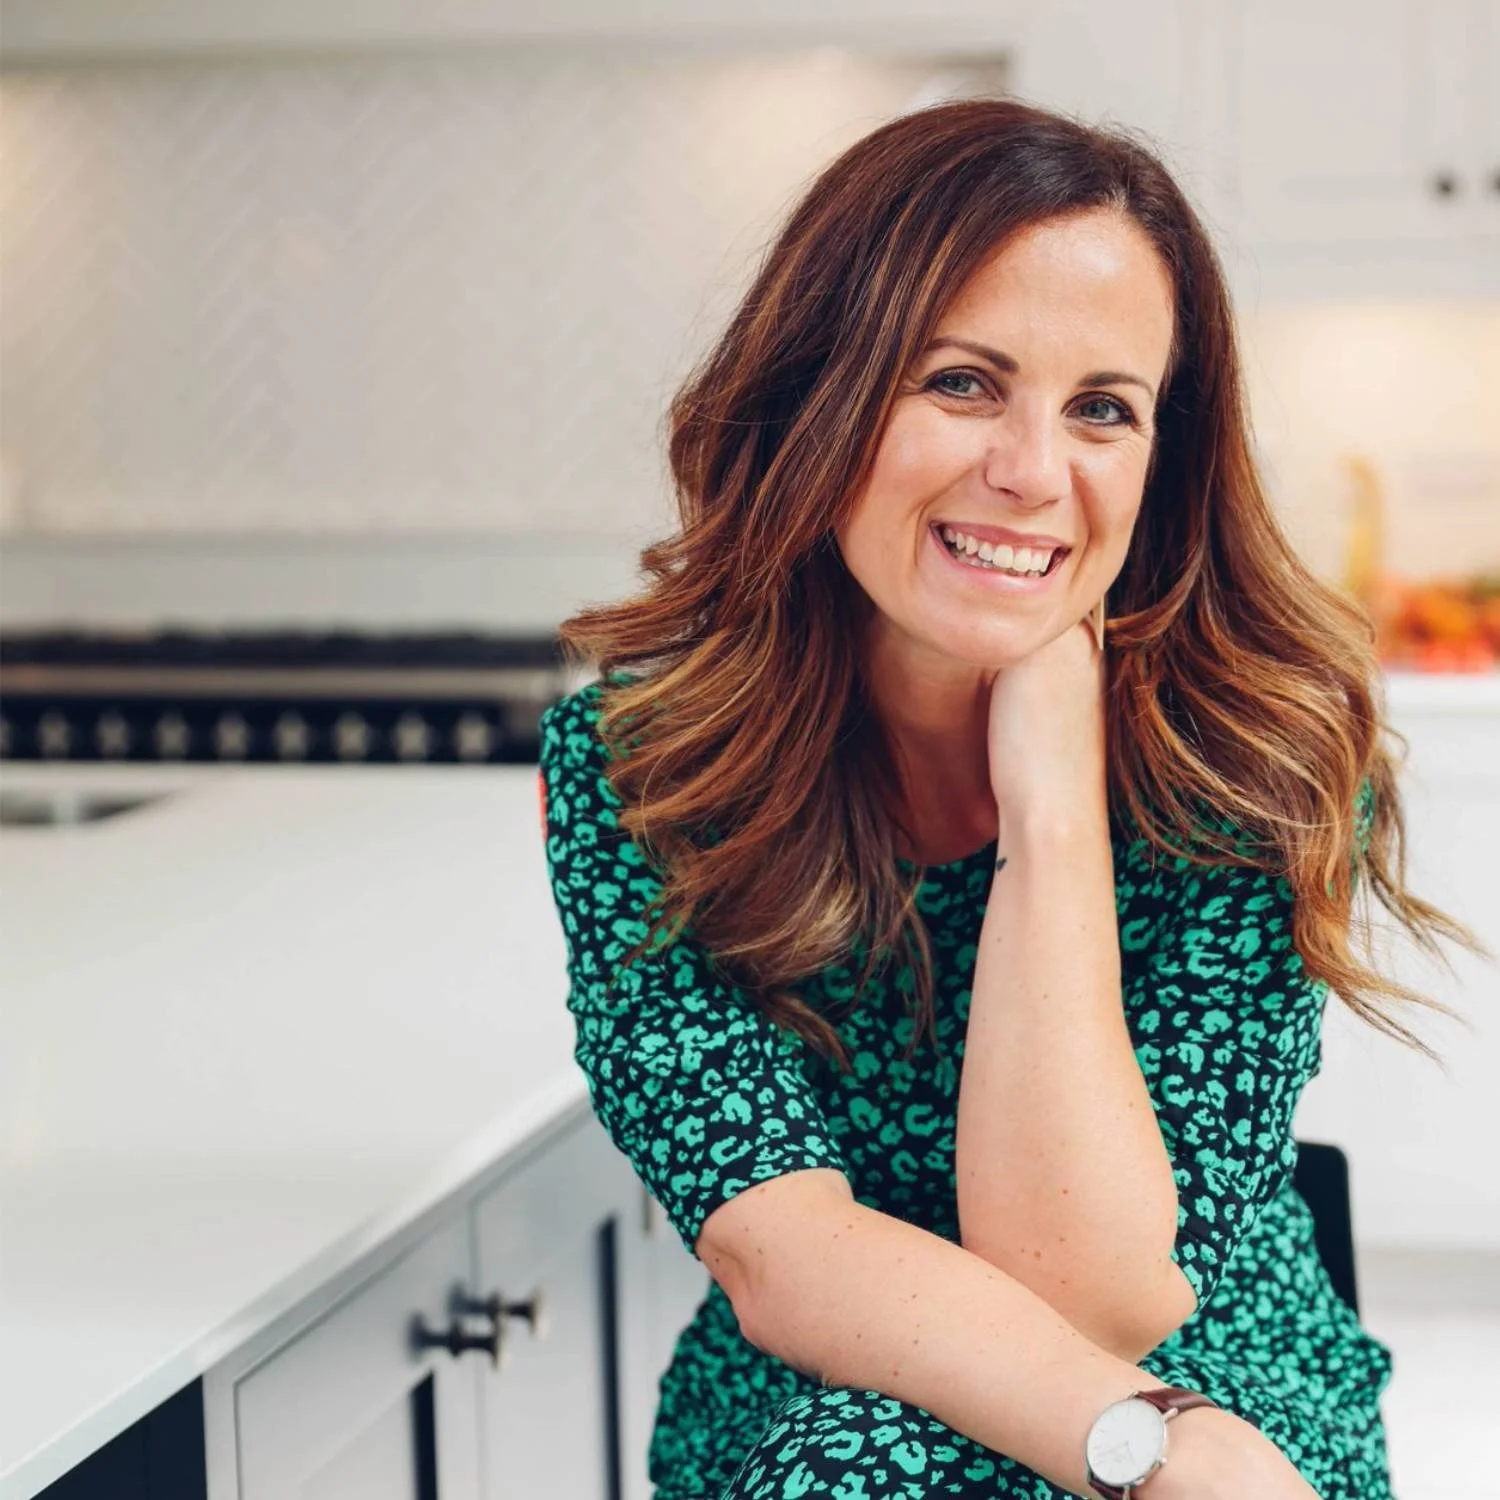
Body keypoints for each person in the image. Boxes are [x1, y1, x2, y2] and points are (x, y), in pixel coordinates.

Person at [537, 98, 1485, 1500]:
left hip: (1215, 1353)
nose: (1035, 474)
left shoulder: (1254, 764)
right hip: (843, 1371)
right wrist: (1149, 1448)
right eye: (964, 382)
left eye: (1102, 409)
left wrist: (1054, 812)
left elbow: (1094, 1293)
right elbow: (777, 1247)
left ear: (1162, 458)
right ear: (823, 393)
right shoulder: (646, 767)